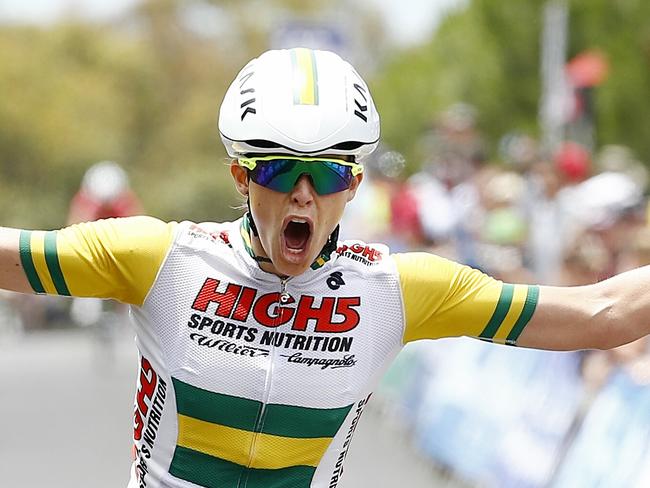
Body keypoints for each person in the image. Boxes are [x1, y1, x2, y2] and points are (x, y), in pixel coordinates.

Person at [0, 47, 649, 488]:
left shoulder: (398, 289)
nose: (304, 193)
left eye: (329, 172)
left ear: (354, 185)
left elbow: (605, 313)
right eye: (282, 170)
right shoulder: (160, 258)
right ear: (242, 176)